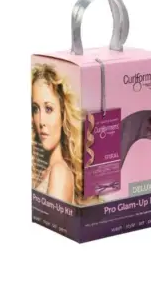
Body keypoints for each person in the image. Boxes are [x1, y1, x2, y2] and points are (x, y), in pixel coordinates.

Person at [31, 63, 99, 206]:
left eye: (48, 109)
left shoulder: (59, 172)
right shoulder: (42, 172)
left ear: (62, 115)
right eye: (35, 109)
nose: (41, 121)